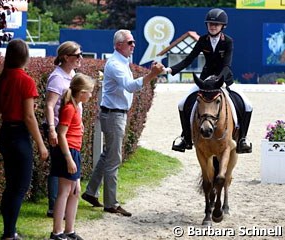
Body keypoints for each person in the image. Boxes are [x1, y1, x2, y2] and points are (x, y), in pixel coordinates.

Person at [81, 29, 164, 217]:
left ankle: (90, 192)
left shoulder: (121, 62)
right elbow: (129, 86)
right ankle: (111, 204)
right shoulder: (116, 64)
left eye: (133, 42)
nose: (133, 45)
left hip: (115, 114)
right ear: (118, 45)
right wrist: (152, 75)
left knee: (107, 155)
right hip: (113, 115)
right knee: (113, 159)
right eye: (129, 42)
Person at [164, 8, 253, 154]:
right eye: (210, 24)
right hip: (205, 81)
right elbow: (189, 59)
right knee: (182, 104)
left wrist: (219, 80)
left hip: (224, 80)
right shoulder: (203, 40)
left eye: (216, 24)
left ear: (222, 26)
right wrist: (170, 70)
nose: (212, 26)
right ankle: (186, 138)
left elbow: (226, 65)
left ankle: (242, 139)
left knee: (248, 105)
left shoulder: (228, 41)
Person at [0, 39, 49, 240]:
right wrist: (41, 144)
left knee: (11, 186)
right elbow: (29, 117)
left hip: (5, 133)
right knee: (19, 187)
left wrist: (11, 107)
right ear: (25, 56)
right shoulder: (26, 80)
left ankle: (9, 231)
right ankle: (9, 234)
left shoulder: (2, 78)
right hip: (19, 136)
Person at [49, 73, 95, 240]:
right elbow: (61, 134)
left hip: (73, 151)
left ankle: (69, 230)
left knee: (75, 191)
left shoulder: (75, 107)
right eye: (89, 91)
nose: (91, 95)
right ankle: (57, 232)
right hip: (68, 152)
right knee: (65, 191)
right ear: (82, 92)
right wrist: (69, 158)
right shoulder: (69, 108)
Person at [44, 41, 83, 218]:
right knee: (59, 167)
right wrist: (52, 129)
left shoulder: (71, 74)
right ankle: (54, 205)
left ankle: (62, 205)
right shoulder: (57, 77)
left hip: (68, 127)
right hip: (59, 128)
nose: (80, 58)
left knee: (63, 168)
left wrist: (79, 120)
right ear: (66, 57)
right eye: (77, 55)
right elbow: (50, 105)